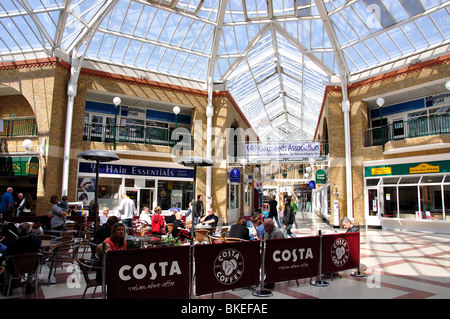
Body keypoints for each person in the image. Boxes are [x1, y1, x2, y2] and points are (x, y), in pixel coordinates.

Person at [3, 222, 42, 295]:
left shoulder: (13, 243)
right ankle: (29, 284)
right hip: (31, 267)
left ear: (18, 231)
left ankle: (7, 286)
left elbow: (7, 254)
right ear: (31, 231)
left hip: (14, 267)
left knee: (5, 263)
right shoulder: (37, 242)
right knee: (34, 260)